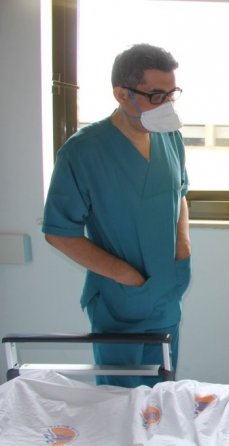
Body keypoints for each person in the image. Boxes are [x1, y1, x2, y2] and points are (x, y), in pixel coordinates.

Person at [42, 43, 191, 388]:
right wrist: (126, 275)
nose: (167, 105)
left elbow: (180, 193)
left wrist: (183, 247)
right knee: (117, 400)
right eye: (157, 96)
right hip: (120, 301)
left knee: (161, 394)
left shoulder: (169, 136)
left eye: (172, 94)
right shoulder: (83, 151)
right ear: (122, 94)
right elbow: (59, 232)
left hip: (166, 292)